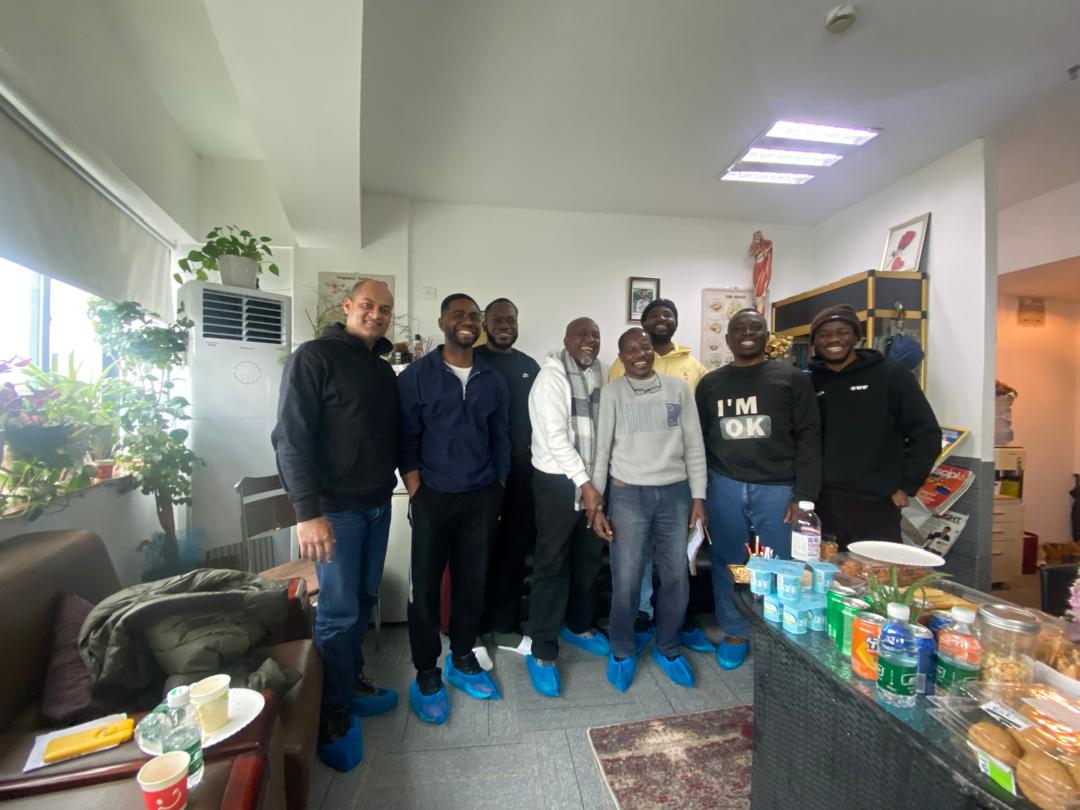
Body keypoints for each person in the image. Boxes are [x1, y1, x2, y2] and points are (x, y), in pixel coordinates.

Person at [271, 279, 400, 771]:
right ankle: (330, 715)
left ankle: (351, 684)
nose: (376, 314)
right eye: (367, 305)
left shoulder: (382, 370)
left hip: (376, 505)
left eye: (384, 308)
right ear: (347, 307)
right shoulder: (313, 358)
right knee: (338, 613)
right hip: (334, 512)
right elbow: (290, 438)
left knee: (364, 600)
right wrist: (308, 513)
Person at [397, 293, 511, 724]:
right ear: (443, 321)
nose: (467, 321)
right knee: (425, 588)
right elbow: (405, 437)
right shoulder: (416, 376)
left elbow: (501, 435)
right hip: (433, 496)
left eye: (473, 316)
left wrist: (498, 485)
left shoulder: (492, 378)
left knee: (472, 583)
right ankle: (427, 670)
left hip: (481, 495)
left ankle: (462, 656)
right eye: (458, 314)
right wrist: (416, 489)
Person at [696, 308, 821, 670]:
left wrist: (804, 495)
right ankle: (736, 632)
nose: (748, 333)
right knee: (731, 562)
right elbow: (699, 440)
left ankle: (779, 634)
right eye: (740, 329)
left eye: (756, 328)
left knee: (782, 565)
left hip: (779, 488)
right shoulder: (710, 384)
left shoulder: (792, 378)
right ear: (728, 339)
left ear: (767, 336)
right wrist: (701, 492)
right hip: (725, 485)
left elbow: (809, 438)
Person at [591, 328, 708, 693]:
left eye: (644, 347)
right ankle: (622, 650)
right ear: (621, 357)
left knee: (676, 577)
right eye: (630, 350)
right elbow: (601, 451)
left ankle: (668, 647)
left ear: (653, 351)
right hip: (628, 495)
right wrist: (596, 503)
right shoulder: (612, 394)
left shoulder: (678, 389)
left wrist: (698, 498)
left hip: (675, 494)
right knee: (626, 578)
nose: (639, 354)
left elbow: (694, 445)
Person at [524, 317, 610, 697]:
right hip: (557, 482)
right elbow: (557, 439)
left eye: (595, 335)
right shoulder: (551, 378)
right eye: (582, 334)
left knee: (588, 557)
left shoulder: (599, 373)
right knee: (552, 563)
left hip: (592, 480)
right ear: (566, 339)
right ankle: (542, 649)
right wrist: (586, 486)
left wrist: (597, 487)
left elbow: (601, 433)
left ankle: (577, 625)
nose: (589, 340)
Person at [808, 304, 940, 548]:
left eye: (842, 332)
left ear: (856, 336)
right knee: (825, 567)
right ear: (814, 342)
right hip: (821, 502)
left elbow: (926, 434)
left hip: (876, 502)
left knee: (877, 567)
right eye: (824, 335)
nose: (834, 339)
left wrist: (906, 486)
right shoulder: (808, 382)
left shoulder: (890, 375)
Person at [475, 298, 541, 648]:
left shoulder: (529, 366)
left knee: (514, 550)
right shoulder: (471, 360)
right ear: (485, 323)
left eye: (511, 319)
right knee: (476, 551)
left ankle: (506, 625)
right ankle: (474, 627)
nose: (504, 325)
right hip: (479, 475)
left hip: (521, 473)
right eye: (497, 319)